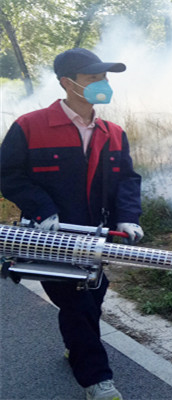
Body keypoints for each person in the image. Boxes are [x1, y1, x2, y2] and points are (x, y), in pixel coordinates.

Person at [0, 48, 144, 400]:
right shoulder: (30, 126)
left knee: (94, 294)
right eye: (94, 79)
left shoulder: (113, 132)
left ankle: (77, 346)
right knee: (78, 302)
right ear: (68, 83)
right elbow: (8, 174)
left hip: (96, 238)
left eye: (105, 79)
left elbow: (127, 179)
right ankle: (97, 379)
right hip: (50, 238)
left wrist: (128, 217)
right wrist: (42, 209)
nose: (104, 85)